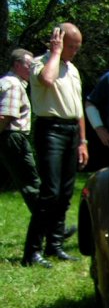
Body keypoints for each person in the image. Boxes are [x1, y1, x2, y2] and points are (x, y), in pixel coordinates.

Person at [30, 22, 88, 262]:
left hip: (71, 131)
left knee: (65, 192)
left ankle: (54, 246)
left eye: (78, 47)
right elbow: (47, 80)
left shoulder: (73, 70)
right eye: (71, 46)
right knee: (50, 192)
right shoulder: (40, 63)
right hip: (50, 130)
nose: (75, 51)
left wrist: (83, 141)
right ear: (59, 41)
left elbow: (78, 108)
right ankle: (32, 250)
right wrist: (55, 53)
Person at [0, 48, 51, 267]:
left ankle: (50, 228)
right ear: (17, 65)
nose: (32, 69)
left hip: (9, 137)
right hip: (13, 137)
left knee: (30, 185)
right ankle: (50, 230)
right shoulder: (13, 84)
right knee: (33, 186)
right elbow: (5, 115)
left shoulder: (7, 82)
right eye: (29, 65)